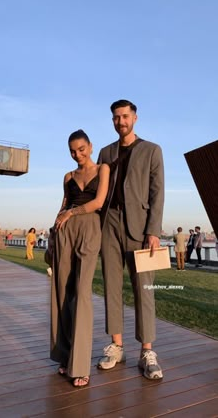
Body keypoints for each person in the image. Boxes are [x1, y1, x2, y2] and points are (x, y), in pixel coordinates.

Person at [97, 99, 164, 380]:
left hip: (140, 227)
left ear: (135, 118)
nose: (120, 121)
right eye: (115, 117)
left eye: (124, 116)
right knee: (112, 285)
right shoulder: (105, 152)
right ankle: (117, 345)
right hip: (109, 224)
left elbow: (157, 192)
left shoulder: (152, 150)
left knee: (144, 289)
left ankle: (147, 351)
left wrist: (154, 231)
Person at [50, 129, 110, 387]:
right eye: (73, 151)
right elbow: (62, 206)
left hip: (89, 227)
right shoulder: (68, 176)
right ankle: (65, 355)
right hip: (65, 231)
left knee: (83, 293)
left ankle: (81, 364)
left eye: (81, 149)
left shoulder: (103, 169)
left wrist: (72, 213)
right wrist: (52, 238)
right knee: (63, 293)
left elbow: (98, 202)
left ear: (90, 146)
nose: (78, 155)